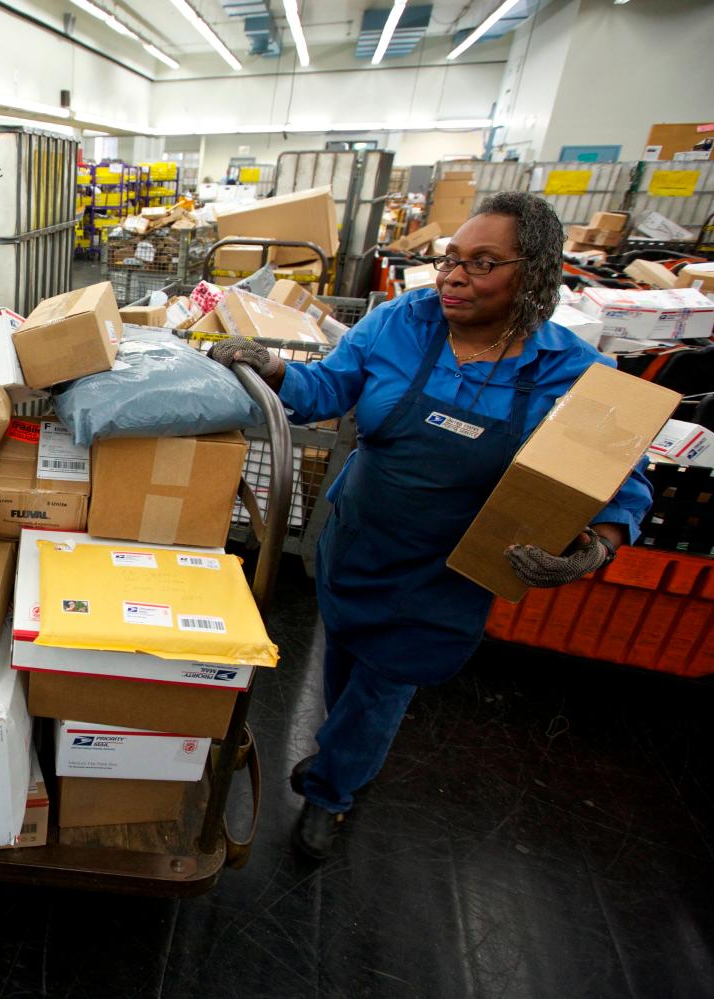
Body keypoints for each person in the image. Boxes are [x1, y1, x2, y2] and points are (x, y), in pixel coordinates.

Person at [209, 192, 652, 861]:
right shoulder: (400, 323)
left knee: (382, 688)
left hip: (444, 574)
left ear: (533, 275)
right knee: (344, 667)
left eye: (481, 263)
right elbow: (329, 389)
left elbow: (625, 482)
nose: (452, 276)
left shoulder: (575, 373)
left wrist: (596, 549)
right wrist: (274, 368)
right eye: (450, 260)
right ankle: (340, 755)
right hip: (358, 543)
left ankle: (331, 793)